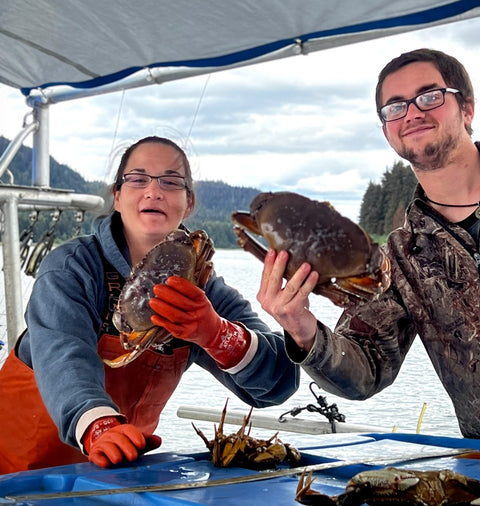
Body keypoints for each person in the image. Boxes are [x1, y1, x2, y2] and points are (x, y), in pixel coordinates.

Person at [0, 136, 299, 473]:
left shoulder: (203, 289)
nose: (153, 191)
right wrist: (97, 424)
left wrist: (217, 334)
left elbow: (277, 383)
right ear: (116, 196)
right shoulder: (72, 268)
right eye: (138, 179)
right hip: (15, 471)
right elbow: (62, 353)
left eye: (171, 182)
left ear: (188, 203)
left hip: (115, 475)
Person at [257, 48, 480, 439]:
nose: (412, 113)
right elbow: (364, 369)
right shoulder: (398, 258)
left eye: (430, 96)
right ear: (387, 131)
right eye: (394, 107)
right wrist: (302, 328)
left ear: (467, 108)